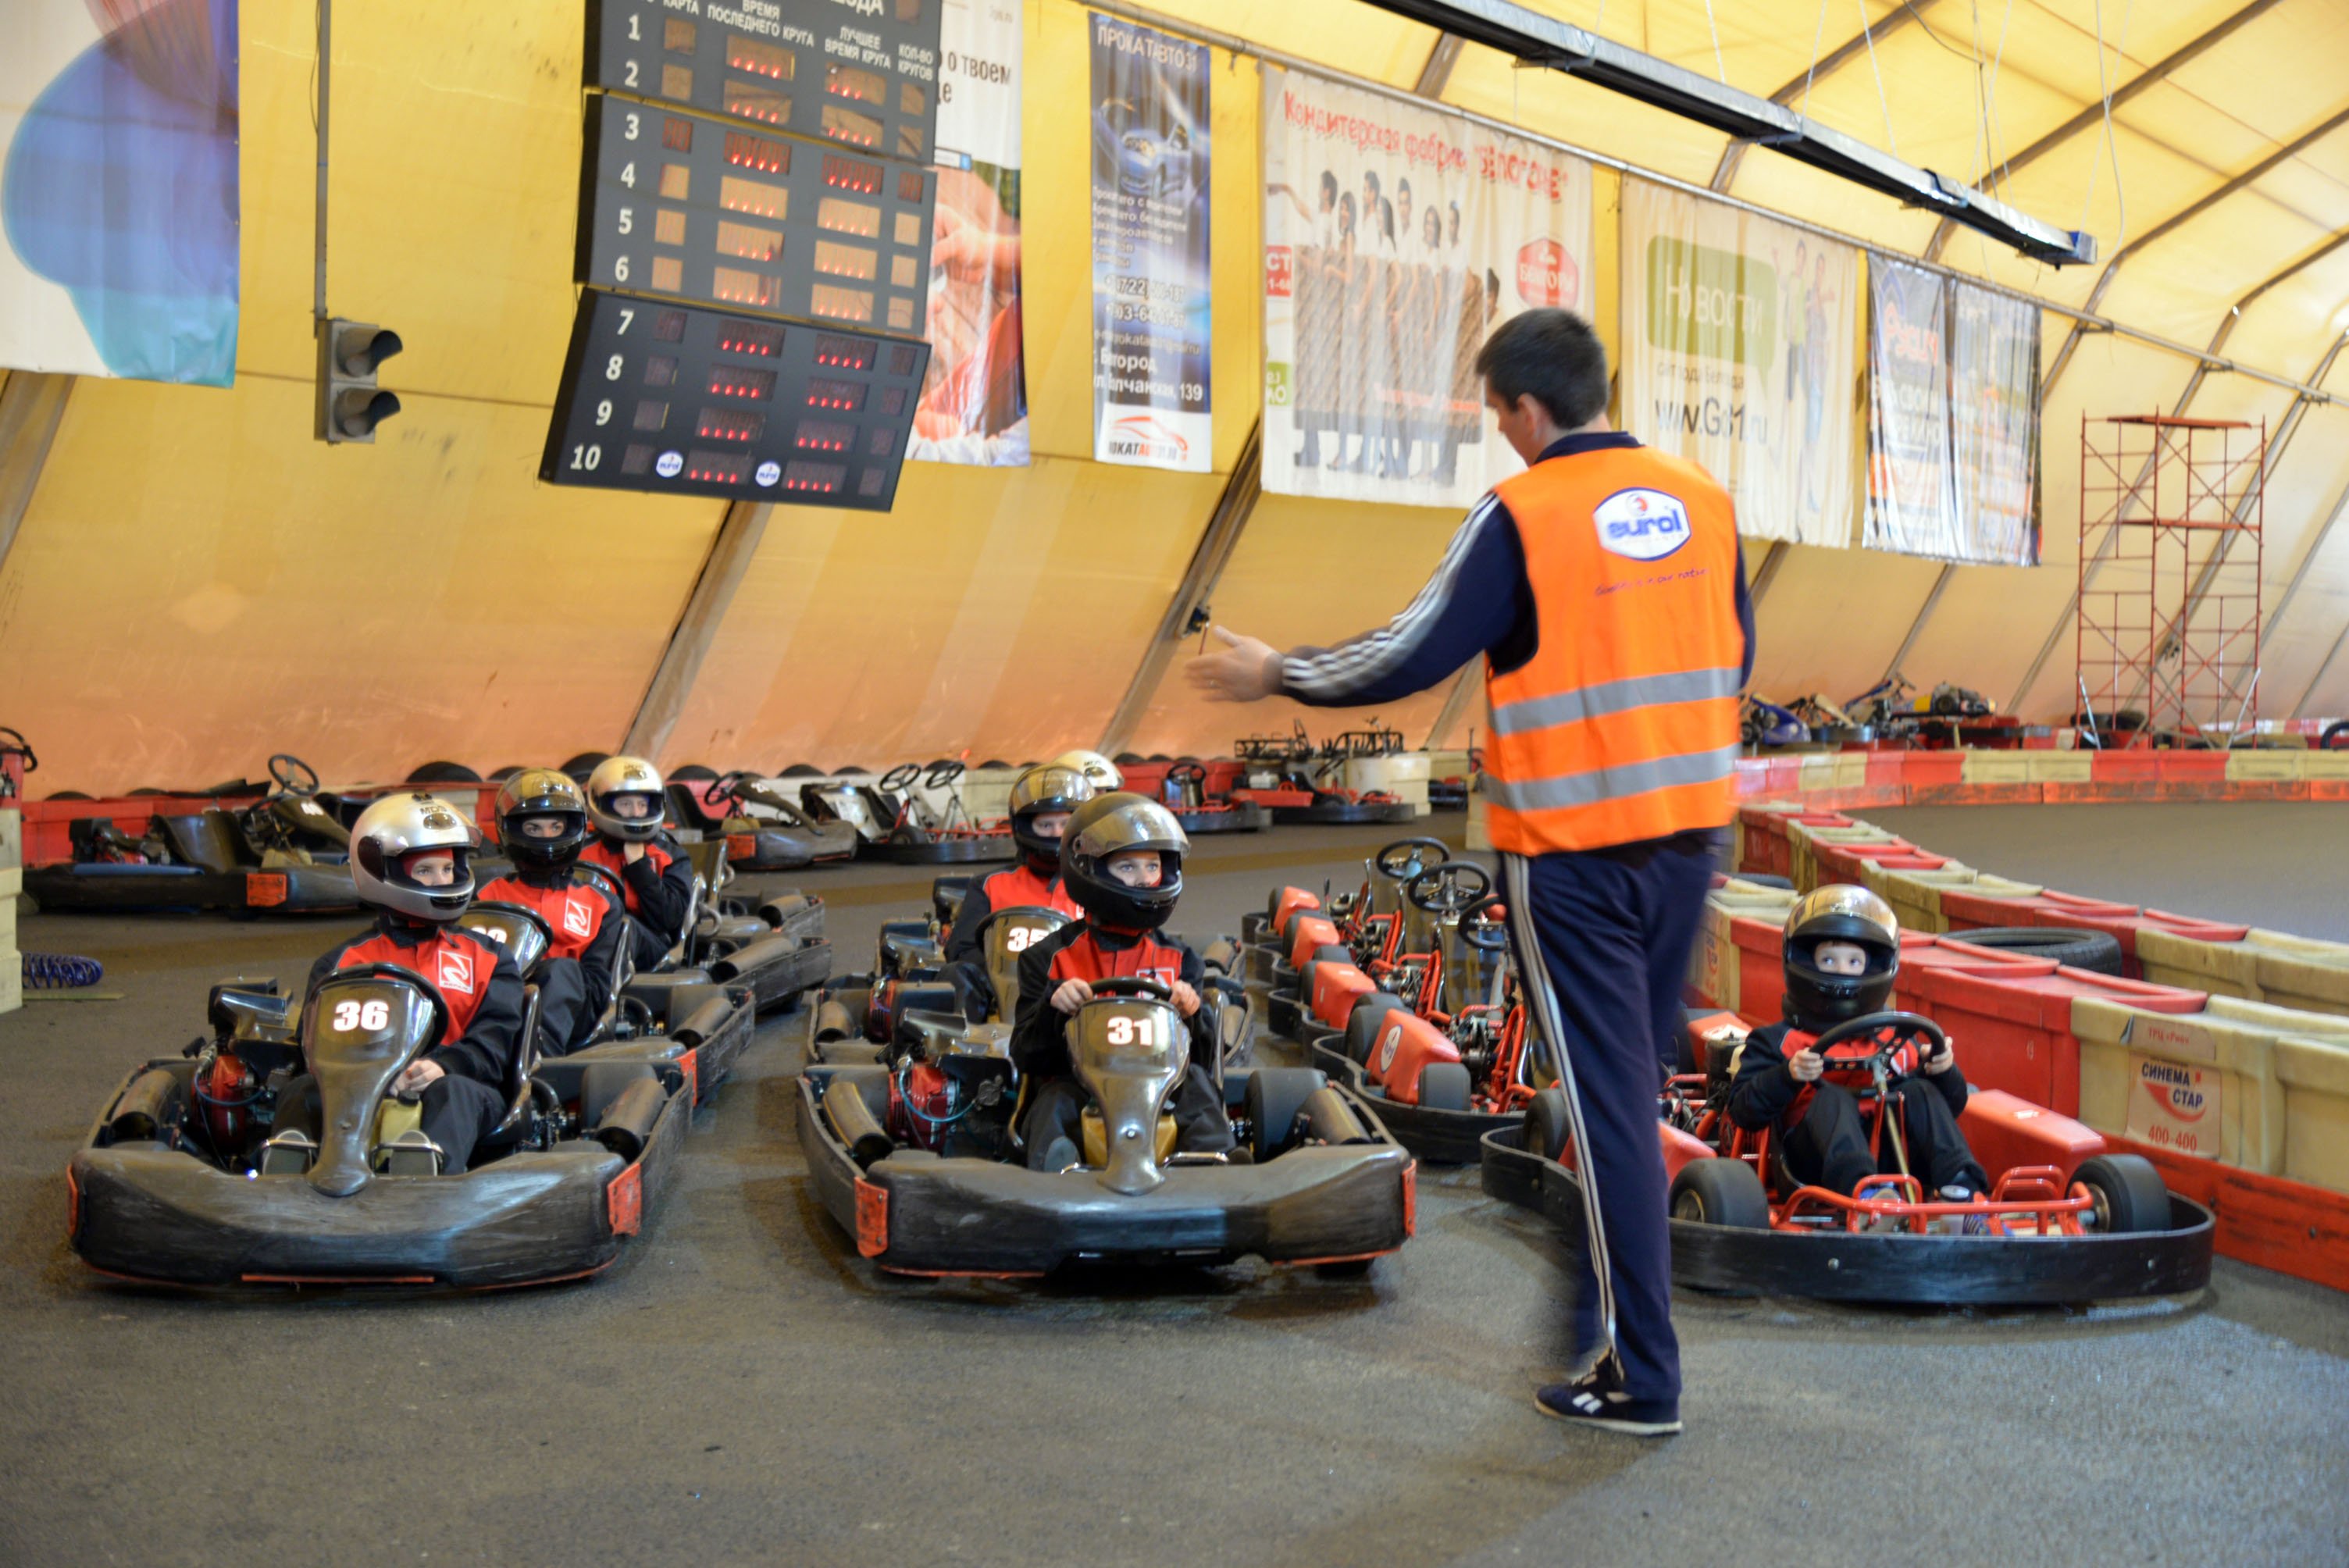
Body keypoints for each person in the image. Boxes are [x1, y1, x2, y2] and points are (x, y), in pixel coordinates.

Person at [1185, 307, 1755, 1438]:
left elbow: (1413, 650)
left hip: (1575, 859)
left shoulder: (1525, 513)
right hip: (1691, 843)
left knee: (1605, 1117)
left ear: (1524, 409)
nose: (1501, 432)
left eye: (1498, 413)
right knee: (1627, 1097)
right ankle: (1589, 1307)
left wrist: (1277, 672)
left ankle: (1641, 1373)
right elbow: (1735, 650)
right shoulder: (1704, 499)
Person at [281, 793, 524, 1174]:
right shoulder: (341, 964)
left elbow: (496, 1041)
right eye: (425, 871)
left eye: (447, 869)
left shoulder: (490, 958)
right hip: (359, 1090)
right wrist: (371, 1074)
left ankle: (426, 1181)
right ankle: (287, 1182)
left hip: (461, 1085)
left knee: (451, 1094)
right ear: (385, 872)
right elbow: (315, 1047)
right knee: (301, 1092)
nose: (441, 880)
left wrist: (444, 1065)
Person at [1725, 887, 1988, 1215]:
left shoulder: (1900, 1039)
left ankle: (1964, 1194)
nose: (1840, 971)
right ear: (1803, 962)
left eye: (1853, 962)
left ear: (1872, 969)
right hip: (1815, 1166)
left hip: (1898, 1162)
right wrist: (1788, 1075)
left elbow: (1952, 1106)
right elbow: (1743, 1112)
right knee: (1834, 1097)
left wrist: (1943, 1071)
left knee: (1919, 1091)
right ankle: (1865, 1200)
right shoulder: (1776, 1040)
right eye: (1828, 960)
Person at [1009, 794, 1235, 1171]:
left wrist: (1193, 1014)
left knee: (1196, 1085)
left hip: (1162, 1090)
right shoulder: (1048, 958)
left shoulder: (1180, 960)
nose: (1145, 879)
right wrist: (1054, 1008)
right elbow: (1027, 1056)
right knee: (1052, 1098)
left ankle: (1214, 1169)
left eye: (1152, 866)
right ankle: (1054, 1172)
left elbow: (1204, 1056)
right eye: (1127, 867)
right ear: (1089, 869)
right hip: (1081, 1088)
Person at [477, 768, 628, 1056]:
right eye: (534, 828)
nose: (546, 837)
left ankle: (533, 1059)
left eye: (555, 828)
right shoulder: (487, 897)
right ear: (511, 830)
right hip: (503, 1002)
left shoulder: (601, 903)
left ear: (572, 829)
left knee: (562, 971)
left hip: (575, 1009)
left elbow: (598, 986)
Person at [940, 762, 1093, 1020]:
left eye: (1064, 825)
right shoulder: (989, 884)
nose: (1056, 834)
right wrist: (1020, 979)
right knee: (956, 972)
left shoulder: (1094, 886)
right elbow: (963, 949)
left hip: (1075, 992)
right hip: (1003, 993)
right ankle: (961, 1053)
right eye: (1045, 826)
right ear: (1024, 828)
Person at [577, 755, 696, 970]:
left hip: (651, 947)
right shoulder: (580, 854)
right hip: (584, 940)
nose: (635, 813)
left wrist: (639, 868)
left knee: (623, 925)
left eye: (642, 805)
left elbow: (670, 919)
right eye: (625, 804)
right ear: (602, 804)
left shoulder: (671, 857)